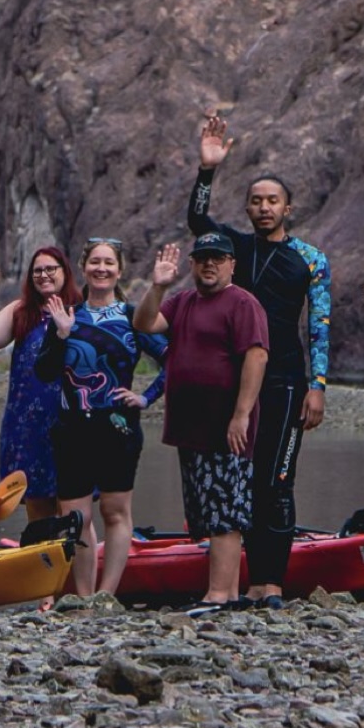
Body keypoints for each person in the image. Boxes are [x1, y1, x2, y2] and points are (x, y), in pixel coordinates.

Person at [185, 111, 330, 607]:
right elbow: (198, 222)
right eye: (256, 201)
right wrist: (208, 170)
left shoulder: (310, 259)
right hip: (239, 383)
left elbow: (320, 323)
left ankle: (271, 581)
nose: (263, 208)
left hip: (288, 382)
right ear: (247, 208)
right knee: (237, 481)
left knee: (277, 480)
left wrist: (319, 384)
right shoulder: (236, 250)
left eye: (272, 201)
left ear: (288, 208)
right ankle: (239, 580)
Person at [133, 233, 269, 610]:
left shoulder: (243, 303)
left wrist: (241, 415)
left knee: (226, 508)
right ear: (192, 264)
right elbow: (144, 323)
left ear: (232, 264)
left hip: (226, 429)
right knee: (205, 509)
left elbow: (256, 357)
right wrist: (158, 286)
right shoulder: (183, 302)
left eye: (218, 258)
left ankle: (222, 593)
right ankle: (218, 589)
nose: (210, 264)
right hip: (190, 428)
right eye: (203, 258)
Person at [34, 238, 167, 596]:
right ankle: (84, 594)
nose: (102, 269)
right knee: (76, 518)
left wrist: (146, 397)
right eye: (95, 262)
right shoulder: (69, 314)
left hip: (118, 426)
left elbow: (175, 360)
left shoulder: (132, 316)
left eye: (109, 263)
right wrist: (61, 334)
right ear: (84, 267)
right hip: (72, 426)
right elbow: (45, 371)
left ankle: (106, 594)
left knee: (115, 511)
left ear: (119, 270)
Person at [0, 246, 82, 522]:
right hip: (27, 422)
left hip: (70, 420)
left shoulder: (80, 308)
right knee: (37, 502)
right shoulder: (21, 311)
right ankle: (40, 561)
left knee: (73, 506)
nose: (43, 275)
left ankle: (78, 563)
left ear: (64, 272)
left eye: (50, 269)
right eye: (37, 271)